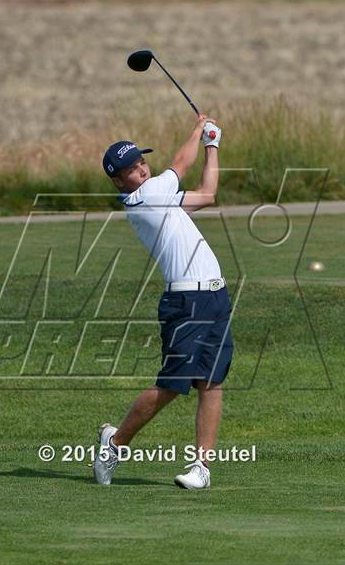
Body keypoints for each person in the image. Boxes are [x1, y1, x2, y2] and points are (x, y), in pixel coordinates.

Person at [94, 114, 233, 489]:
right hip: (186, 300)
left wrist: (212, 146)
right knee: (172, 385)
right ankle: (115, 442)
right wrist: (197, 128)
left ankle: (201, 469)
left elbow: (207, 194)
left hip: (215, 295)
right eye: (131, 168)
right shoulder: (146, 197)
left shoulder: (161, 198)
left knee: (211, 381)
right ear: (118, 180)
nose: (140, 168)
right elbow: (180, 164)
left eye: (141, 161)